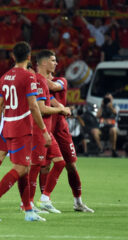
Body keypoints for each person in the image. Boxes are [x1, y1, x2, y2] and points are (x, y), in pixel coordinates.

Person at [0, 41, 51, 222]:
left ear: (13, 56)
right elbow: (34, 106)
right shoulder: (29, 77)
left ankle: (28, 210)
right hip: (22, 128)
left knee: (25, 170)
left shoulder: (4, 77)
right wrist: (43, 130)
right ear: (29, 56)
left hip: (8, 126)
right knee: (20, 168)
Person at [30, 50, 71, 214]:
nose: (56, 63)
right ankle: (27, 203)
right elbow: (41, 109)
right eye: (53, 60)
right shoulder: (39, 81)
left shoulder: (41, 81)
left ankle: (45, 199)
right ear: (44, 63)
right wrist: (60, 111)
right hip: (38, 129)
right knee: (35, 166)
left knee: (60, 162)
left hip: (47, 129)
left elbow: (50, 101)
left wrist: (61, 108)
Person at [47, 73, 95, 212]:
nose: (55, 63)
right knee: (42, 166)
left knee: (71, 166)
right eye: (52, 60)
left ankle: (78, 202)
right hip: (45, 128)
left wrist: (38, 77)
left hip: (61, 130)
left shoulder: (60, 81)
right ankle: (40, 201)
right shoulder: (36, 83)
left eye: (55, 61)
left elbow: (53, 87)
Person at [96, 93, 119, 157]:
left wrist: (110, 106)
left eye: (109, 98)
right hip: (102, 127)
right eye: (107, 99)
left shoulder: (115, 106)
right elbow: (97, 116)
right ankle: (101, 149)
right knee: (94, 132)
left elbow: (115, 113)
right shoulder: (101, 107)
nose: (108, 100)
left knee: (113, 130)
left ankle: (113, 150)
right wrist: (101, 106)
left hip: (111, 126)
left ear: (112, 99)